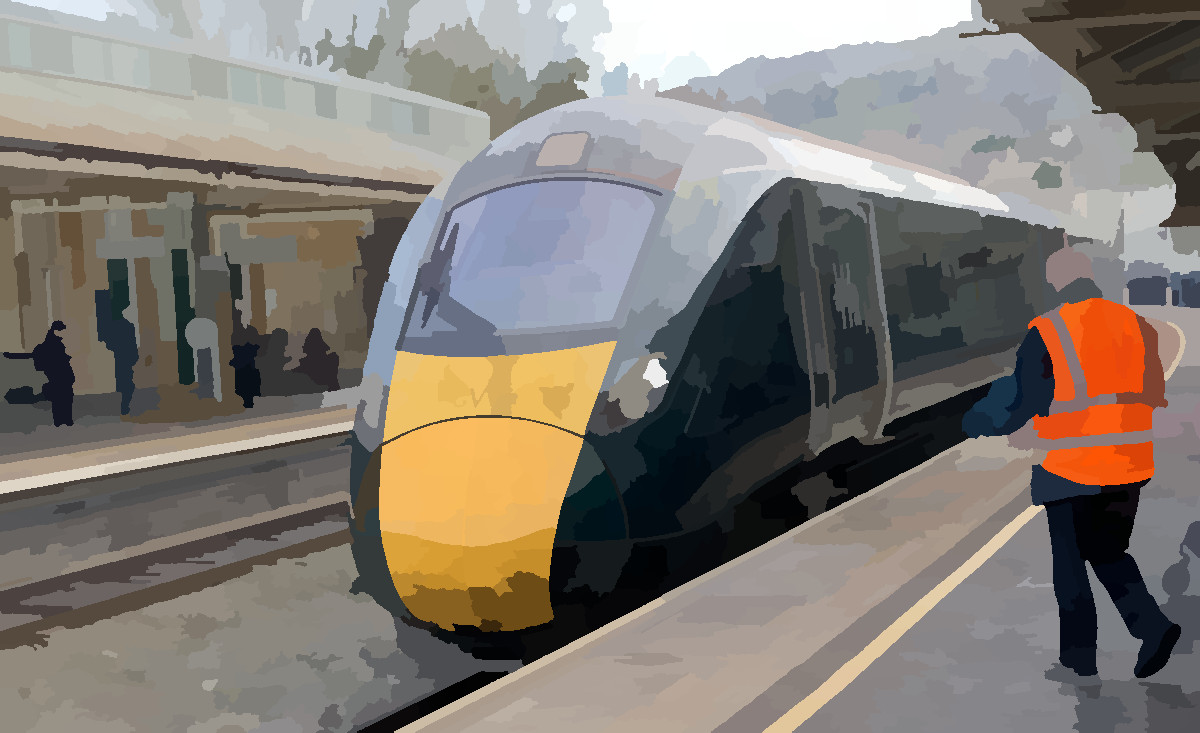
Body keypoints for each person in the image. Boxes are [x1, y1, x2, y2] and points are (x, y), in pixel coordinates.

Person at [963, 245, 1181, 681]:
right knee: (1108, 551)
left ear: (1056, 282)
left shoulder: (1050, 329)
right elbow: (1154, 393)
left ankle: (1079, 662)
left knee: (1070, 567)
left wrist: (979, 421)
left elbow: (1021, 401)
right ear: (1093, 277)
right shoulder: (1138, 326)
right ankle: (1152, 627)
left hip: (1070, 468)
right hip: (1131, 464)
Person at [4, 320, 76, 426]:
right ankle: (62, 420)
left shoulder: (54, 344)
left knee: (63, 399)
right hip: (59, 377)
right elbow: (31, 356)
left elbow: (31, 356)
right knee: (61, 399)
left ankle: (64, 420)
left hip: (63, 377)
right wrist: (11, 356)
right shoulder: (50, 345)